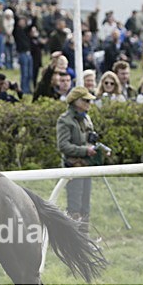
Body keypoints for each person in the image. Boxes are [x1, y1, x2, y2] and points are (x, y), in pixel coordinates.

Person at [57, 86, 99, 235]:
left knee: (85, 205)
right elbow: (63, 145)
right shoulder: (64, 120)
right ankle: (74, 238)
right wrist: (85, 150)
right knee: (75, 206)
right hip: (73, 167)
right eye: (86, 100)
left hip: (86, 166)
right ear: (75, 101)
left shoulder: (87, 118)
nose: (89, 103)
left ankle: (85, 237)